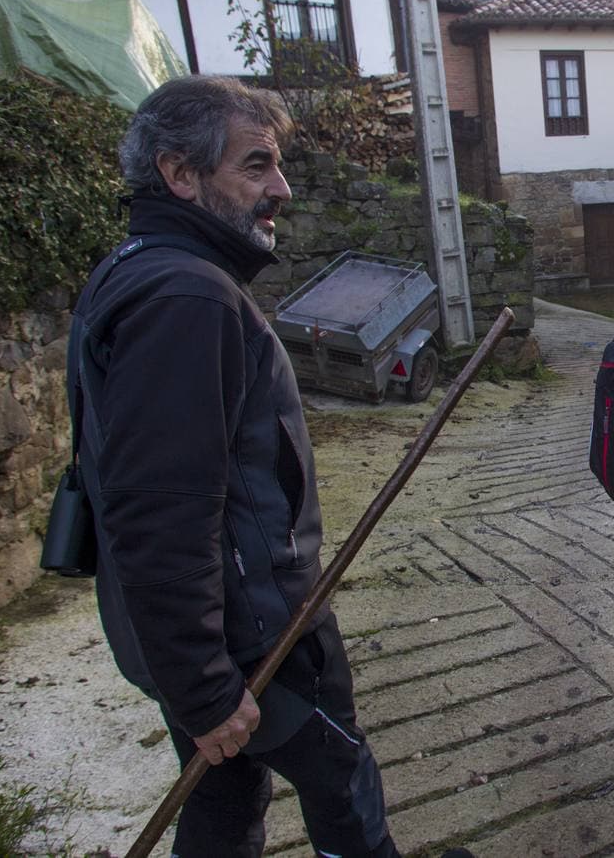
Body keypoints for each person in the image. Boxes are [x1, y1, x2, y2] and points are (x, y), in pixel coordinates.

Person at [71, 75, 400, 856]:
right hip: (258, 638)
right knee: (341, 780)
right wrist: (206, 686)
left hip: (209, 632)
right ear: (179, 174)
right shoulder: (188, 298)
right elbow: (156, 509)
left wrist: (190, 677)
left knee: (223, 791)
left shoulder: (138, 269)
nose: (279, 189)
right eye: (255, 166)